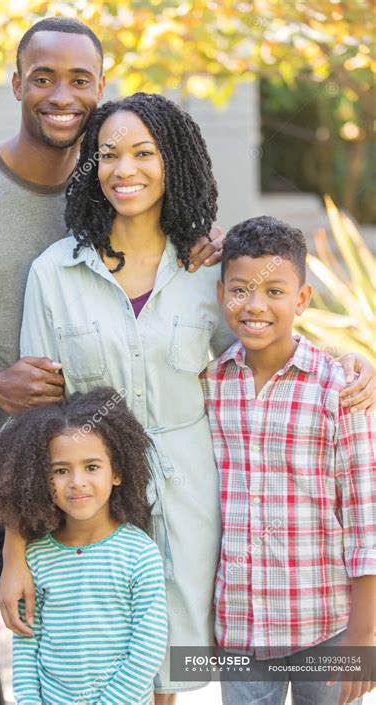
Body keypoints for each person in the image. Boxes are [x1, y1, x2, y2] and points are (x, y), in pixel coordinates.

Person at [3, 92, 375, 704]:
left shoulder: (208, 266)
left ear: (172, 160)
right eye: (108, 155)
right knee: (98, 663)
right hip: (93, 500)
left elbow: (267, 345)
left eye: (144, 152)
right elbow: (33, 425)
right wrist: (16, 550)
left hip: (200, 501)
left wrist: (351, 364)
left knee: (174, 669)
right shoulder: (55, 273)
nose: (126, 169)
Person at [0, 17, 226, 702]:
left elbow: (240, 332)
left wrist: (205, 240)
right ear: (16, 82)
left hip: (113, 489)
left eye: (80, 79)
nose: (62, 94)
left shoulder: (129, 202)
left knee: (137, 677)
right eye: (42, 77)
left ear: (101, 86)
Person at [203, 216, 375, 705]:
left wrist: (364, 634)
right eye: (240, 290)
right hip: (241, 623)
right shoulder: (210, 385)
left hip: (325, 622)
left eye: (274, 291)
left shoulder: (339, 389)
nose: (255, 305)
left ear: (302, 300)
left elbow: (366, 515)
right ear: (221, 296)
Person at [0, 387, 168, 704]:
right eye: (60, 470)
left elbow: (148, 644)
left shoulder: (138, 553)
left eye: (91, 466)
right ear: (38, 478)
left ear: (117, 473)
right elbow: (27, 644)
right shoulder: (35, 556)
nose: (77, 482)